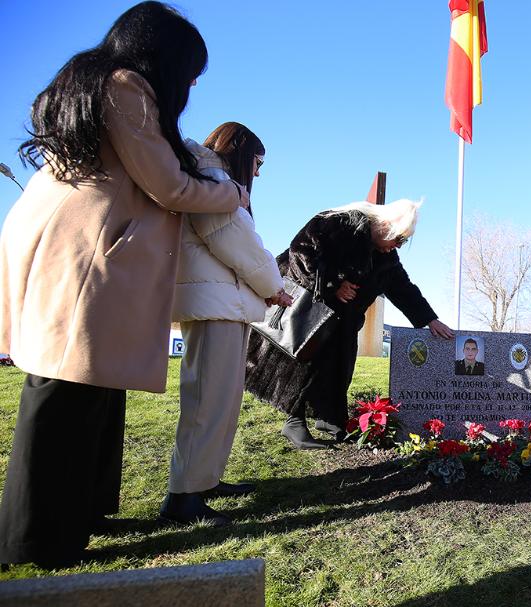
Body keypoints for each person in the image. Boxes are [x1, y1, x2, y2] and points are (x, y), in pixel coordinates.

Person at [0, 2, 247, 567]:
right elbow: (170, 186)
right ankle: (36, 538)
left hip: (74, 240)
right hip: (88, 253)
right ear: (164, 56)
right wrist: (233, 194)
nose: (189, 84)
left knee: (91, 387)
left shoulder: (96, 83)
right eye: (190, 70)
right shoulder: (125, 87)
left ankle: (84, 510)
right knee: (65, 389)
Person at [161, 123, 293, 527]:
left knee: (221, 401)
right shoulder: (212, 178)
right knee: (206, 402)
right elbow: (236, 242)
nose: (256, 172)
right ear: (239, 149)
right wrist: (274, 286)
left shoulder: (210, 177)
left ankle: (203, 481)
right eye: (257, 161)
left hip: (224, 304)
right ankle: (182, 500)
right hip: (213, 306)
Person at [245, 200, 454, 449]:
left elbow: (403, 288)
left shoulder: (387, 256)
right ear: (385, 225)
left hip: (341, 320)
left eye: (403, 242)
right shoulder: (339, 224)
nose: (397, 246)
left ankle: (330, 420)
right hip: (304, 310)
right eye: (398, 239)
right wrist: (333, 284)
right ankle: (294, 420)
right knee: (301, 363)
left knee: (337, 368)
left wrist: (429, 318)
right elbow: (300, 252)